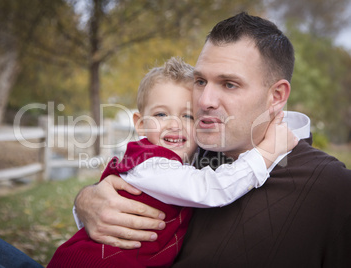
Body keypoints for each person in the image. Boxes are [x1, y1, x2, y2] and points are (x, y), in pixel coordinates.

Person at [74, 12, 351, 267]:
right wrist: (85, 202)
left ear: (276, 96)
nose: (204, 101)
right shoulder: (188, 152)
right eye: (200, 81)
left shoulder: (331, 187)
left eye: (229, 84)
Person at [48, 57, 297, 267]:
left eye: (188, 115)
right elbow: (212, 189)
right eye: (161, 114)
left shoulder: (184, 161)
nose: (174, 124)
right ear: (141, 123)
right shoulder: (150, 163)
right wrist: (267, 152)